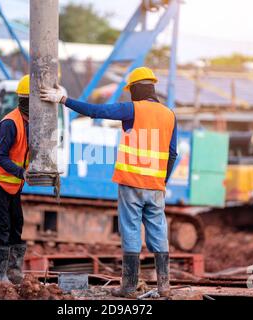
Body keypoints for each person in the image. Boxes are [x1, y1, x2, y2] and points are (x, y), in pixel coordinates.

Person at [40, 67, 178, 297]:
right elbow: (172, 153)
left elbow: (95, 111)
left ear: (134, 89)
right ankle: (164, 286)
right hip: (156, 186)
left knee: (131, 229)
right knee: (158, 230)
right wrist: (162, 181)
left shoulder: (131, 108)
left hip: (131, 182)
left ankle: (129, 287)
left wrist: (63, 99)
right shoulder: (169, 114)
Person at [0, 75, 30, 284]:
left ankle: (14, 270)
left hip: (13, 182)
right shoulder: (10, 123)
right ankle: (0, 274)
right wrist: (22, 173)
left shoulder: (35, 124)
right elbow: (0, 157)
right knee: (1, 226)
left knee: (17, 222)